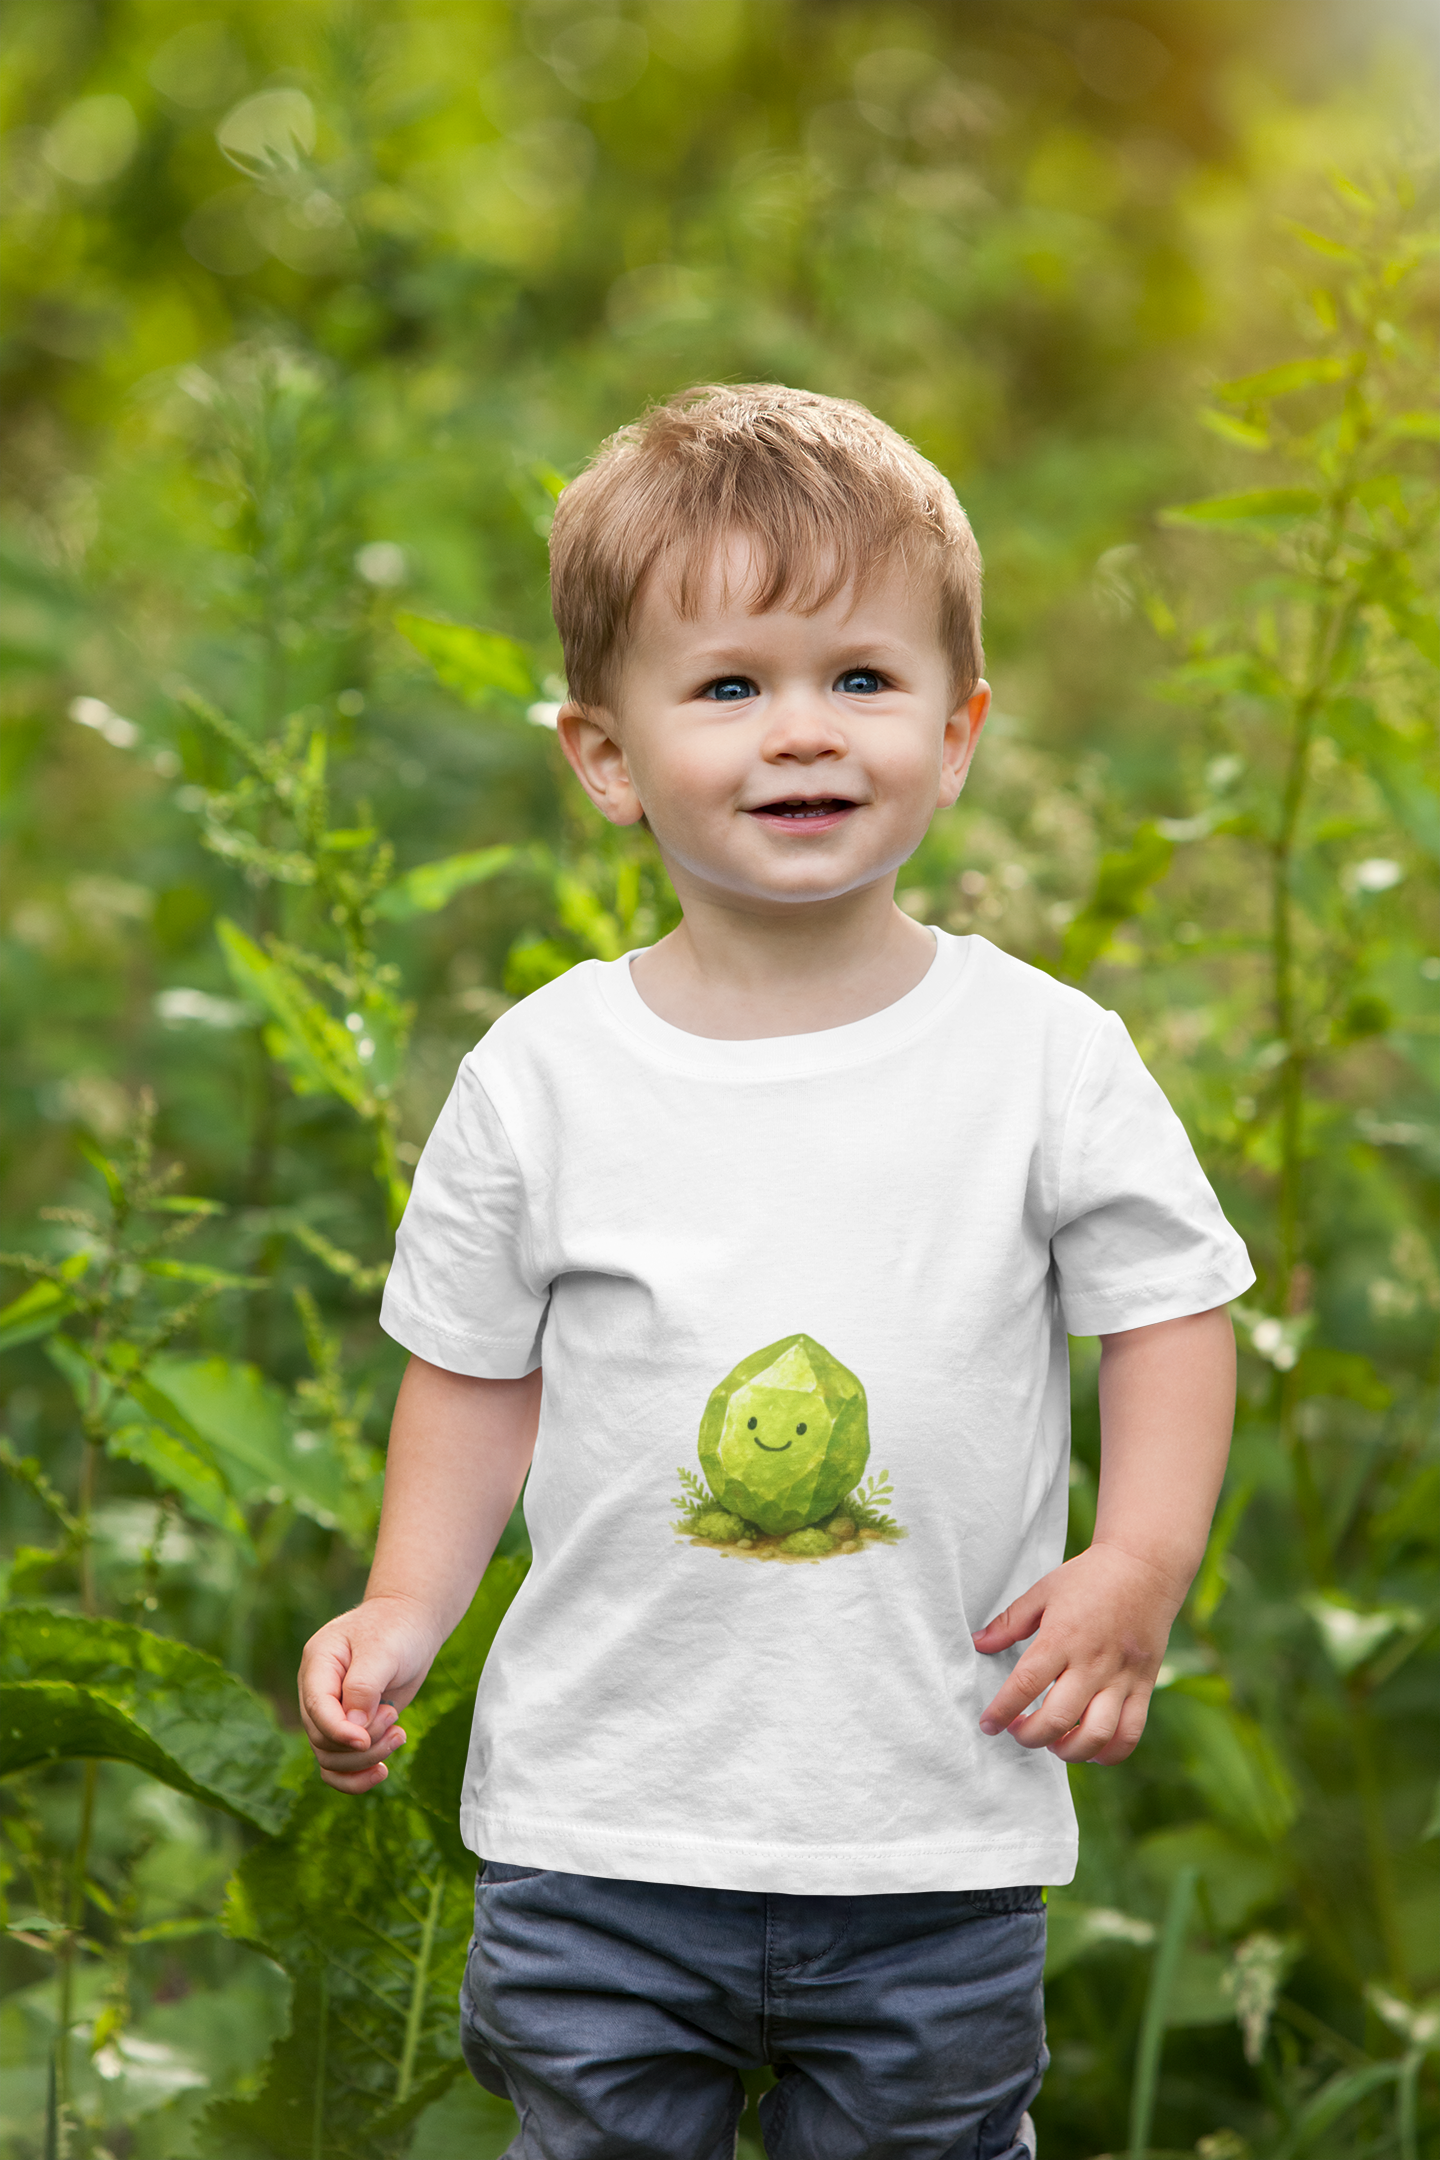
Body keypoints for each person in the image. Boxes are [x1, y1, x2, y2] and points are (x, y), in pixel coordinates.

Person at [298, 383, 1253, 2160]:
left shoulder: (1042, 1059)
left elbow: (1168, 1311)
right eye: (730, 686)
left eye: (861, 681)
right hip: (601, 1831)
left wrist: (1141, 1560)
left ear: (958, 731)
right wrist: (407, 1605)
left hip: (927, 1831)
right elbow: (475, 1365)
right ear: (605, 755)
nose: (800, 732)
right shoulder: (547, 1073)